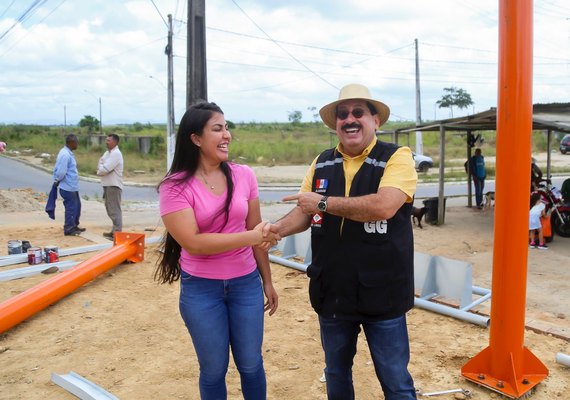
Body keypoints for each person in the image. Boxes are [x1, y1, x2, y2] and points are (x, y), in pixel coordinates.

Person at [264, 83, 418, 399]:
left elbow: (384, 206)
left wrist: (323, 203)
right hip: (332, 292)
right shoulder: (322, 161)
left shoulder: (396, 157)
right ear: (335, 124)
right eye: (342, 114)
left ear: (376, 120)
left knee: (395, 381)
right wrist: (276, 229)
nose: (349, 119)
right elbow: (303, 211)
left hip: (383, 294)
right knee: (336, 375)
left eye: (358, 112)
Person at [154, 101, 279, 400]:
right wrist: (251, 236)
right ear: (196, 139)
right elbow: (194, 243)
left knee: (251, 365)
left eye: (227, 127)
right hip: (201, 290)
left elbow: (256, 233)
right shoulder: (174, 187)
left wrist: (267, 280)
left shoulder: (244, 175)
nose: (227, 135)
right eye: (218, 129)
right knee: (213, 370)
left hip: (245, 284)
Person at [53, 134, 84, 236]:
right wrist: (57, 180)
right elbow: (61, 171)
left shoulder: (67, 153)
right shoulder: (65, 155)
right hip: (68, 187)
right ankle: (69, 228)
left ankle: (74, 225)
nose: (77, 144)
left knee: (77, 207)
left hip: (72, 186)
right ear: (71, 143)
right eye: (76, 142)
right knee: (71, 208)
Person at [97, 133, 124, 240]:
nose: (106, 142)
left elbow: (105, 169)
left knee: (114, 209)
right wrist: (101, 168)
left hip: (114, 185)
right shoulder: (107, 153)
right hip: (107, 184)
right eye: (106, 140)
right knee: (110, 209)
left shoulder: (116, 154)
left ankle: (117, 233)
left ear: (115, 142)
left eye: (109, 140)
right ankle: (114, 231)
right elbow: (100, 163)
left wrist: (101, 169)